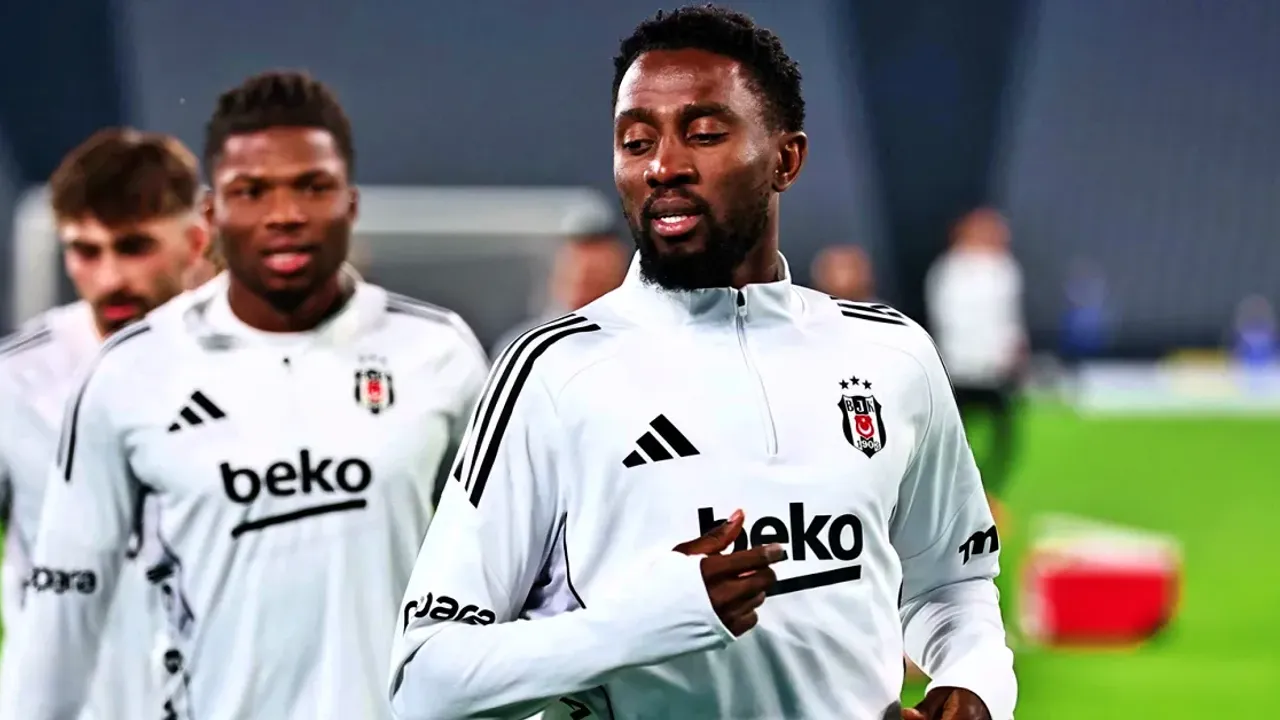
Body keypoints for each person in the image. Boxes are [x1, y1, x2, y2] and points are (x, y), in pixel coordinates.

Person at [389, 7, 1015, 720]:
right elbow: (426, 682)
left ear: (785, 160)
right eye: (636, 141)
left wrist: (973, 683)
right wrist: (644, 624)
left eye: (705, 134)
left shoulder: (892, 353)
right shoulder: (553, 372)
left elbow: (951, 585)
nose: (664, 166)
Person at [3, 70, 487, 720]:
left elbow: (500, 569)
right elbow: (65, 602)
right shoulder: (108, 375)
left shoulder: (438, 353)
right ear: (214, 215)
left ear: (350, 202)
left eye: (311, 186)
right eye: (252, 191)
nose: (284, 214)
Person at [0, 127, 214, 720]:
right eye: (85, 251)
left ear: (196, 240)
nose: (110, 277)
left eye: (134, 247)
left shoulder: (260, 369)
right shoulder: (15, 382)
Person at [924, 208, 1027, 528]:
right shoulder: (950, 270)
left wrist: (1010, 356)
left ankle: (987, 495)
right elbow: (952, 321)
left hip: (995, 373)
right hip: (960, 372)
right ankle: (957, 500)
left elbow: (1008, 320)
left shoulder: (1003, 269)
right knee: (954, 442)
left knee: (1004, 443)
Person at [489, 232, 629, 359]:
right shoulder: (519, 349)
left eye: (596, 277)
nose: (581, 280)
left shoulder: (631, 346)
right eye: (572, 274)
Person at [811, 243, 877, 302]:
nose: (848, 274)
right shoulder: (811, 308)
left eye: (852, 266)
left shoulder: (878, 309)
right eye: (841, 266)